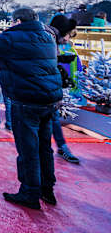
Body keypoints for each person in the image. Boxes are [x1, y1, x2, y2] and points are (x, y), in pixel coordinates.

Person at [0, 8, 62, 210]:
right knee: (44, 147)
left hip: (26, 101)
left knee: (28, 149)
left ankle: (30, 193)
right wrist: (1, 34)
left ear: (18, 21)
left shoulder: (13, 38)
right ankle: (47, 189)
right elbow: (22, 43)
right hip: (48, 101)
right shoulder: (47, 37)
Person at [48, 15, 81, 164]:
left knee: (53, 117)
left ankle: (61, 146)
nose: (67, 39)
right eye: (67, 34)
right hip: (40, 92)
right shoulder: (48, 43)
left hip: (47, 92)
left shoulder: (52, 42)